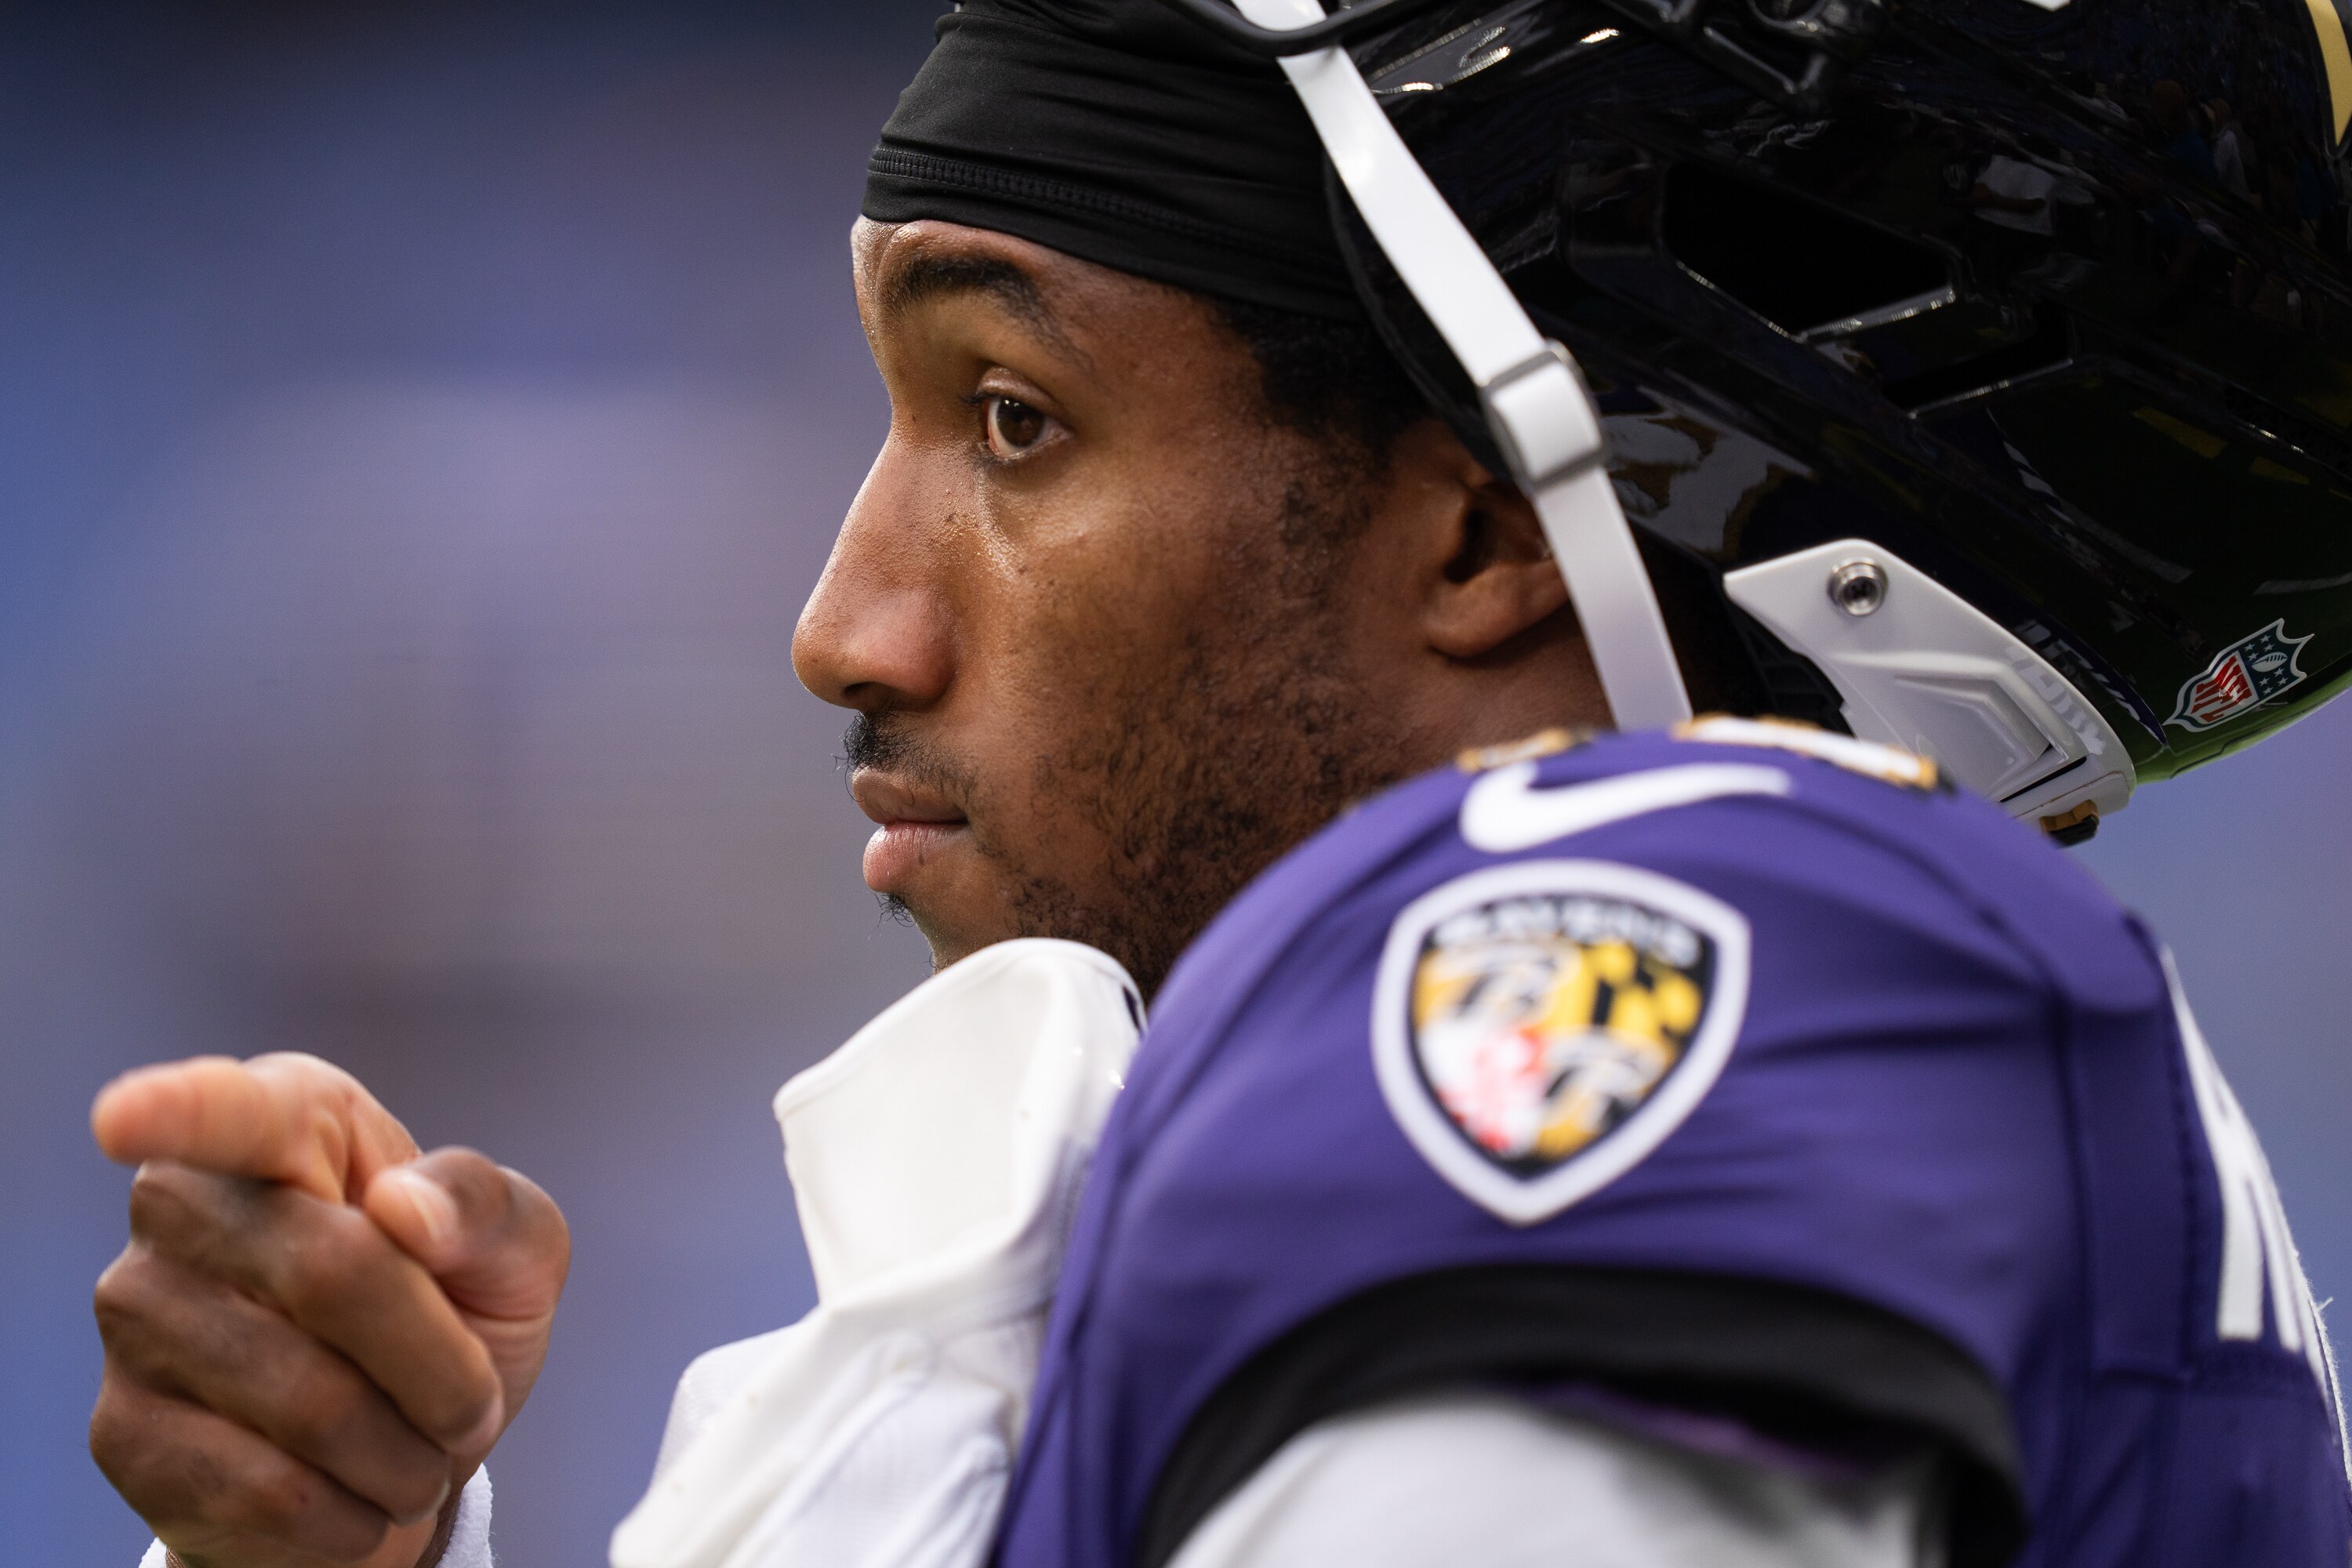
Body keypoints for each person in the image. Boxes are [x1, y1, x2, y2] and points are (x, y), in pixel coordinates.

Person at [86, 1, 2352, 1566]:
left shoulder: (1681, 941)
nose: (845, 624)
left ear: (1478, 523)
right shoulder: (1801, 1034)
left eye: (1013, 419)